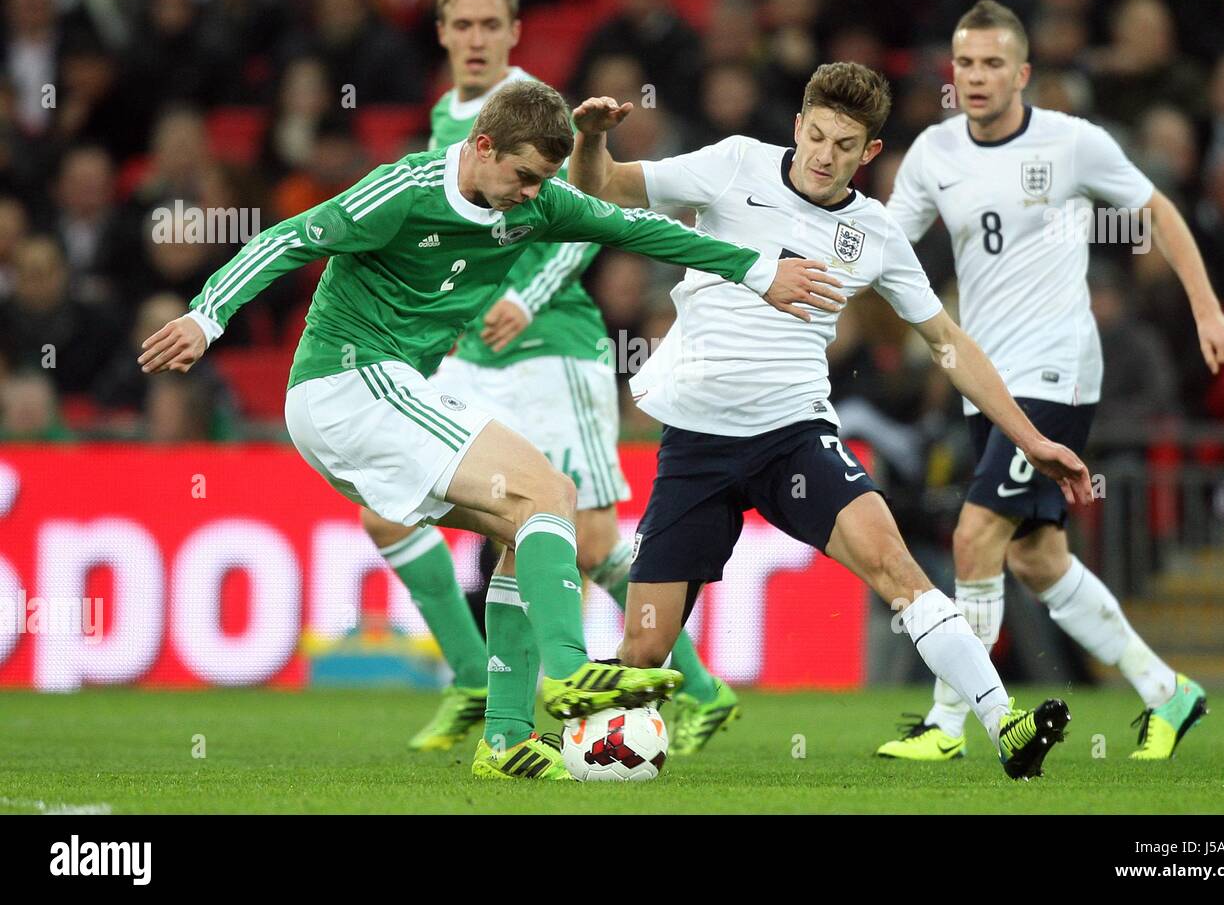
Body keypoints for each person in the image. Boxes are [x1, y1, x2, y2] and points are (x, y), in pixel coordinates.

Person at [138, 78, 838, 781]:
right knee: (548, 492)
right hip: (345, 383)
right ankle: (567, 673)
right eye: (524, 176)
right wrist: (207, 315)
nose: (533, 194)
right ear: (480, 146)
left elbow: (637, 228)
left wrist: (755, 269)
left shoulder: (536, 205)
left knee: (526, 522)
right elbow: (289, 238)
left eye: (543, 182)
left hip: (387, 391)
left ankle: (504, 739)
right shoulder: (402, 191)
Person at [569, 61, 1093, 780]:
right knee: (643, 653)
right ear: (797, 125)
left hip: (794, 436)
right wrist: (591, 139)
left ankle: (1006, 724)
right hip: (695, 443)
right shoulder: (732, 166)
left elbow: (948, 342)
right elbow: (600, 185)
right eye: (816, 135)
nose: (824, 154)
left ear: (868, 153)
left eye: (844, 145)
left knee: (896, 565)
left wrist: (1032, 438)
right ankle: (590, 748)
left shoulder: (874, 232)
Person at [361, 0, 738, 759]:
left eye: (488, 26)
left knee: (587, 538)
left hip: (550, 347)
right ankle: (474, 679)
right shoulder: (443, 117)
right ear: (441, 33)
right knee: (388, 506)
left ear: (514, 32)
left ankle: (701, 687)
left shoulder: (536, 110)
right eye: (460, 26)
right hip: (471, 350)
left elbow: (582, 221)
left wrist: (524, 299)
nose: (474, 40)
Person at [881, 0, 1224, 761]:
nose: (975, 77)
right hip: (988, 380)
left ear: (1023, 72)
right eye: (964, 63)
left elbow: (1160, 212)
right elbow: (883, 244)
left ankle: (948, 725)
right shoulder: (934, 152)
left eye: (991, 64)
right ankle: (1166, 691)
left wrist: (1208, 312)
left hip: (1056, 372)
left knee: (975, 535)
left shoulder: (1073, 143)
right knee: (1034, 555)